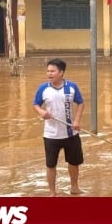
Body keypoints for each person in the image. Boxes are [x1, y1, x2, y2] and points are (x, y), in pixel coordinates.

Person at [33, 58, 85, 197]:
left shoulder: (72, 87)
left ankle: (74, 187)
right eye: (48, 71)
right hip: (51, 135)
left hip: (71, 133)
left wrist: (77, 120)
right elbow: (36, 104)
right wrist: (41, 112)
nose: (49, 74)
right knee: (51, 165)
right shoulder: (43, 88)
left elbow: (80, 103)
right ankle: (52, 192)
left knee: (74, 163)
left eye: (52, 71)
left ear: (61, 72)